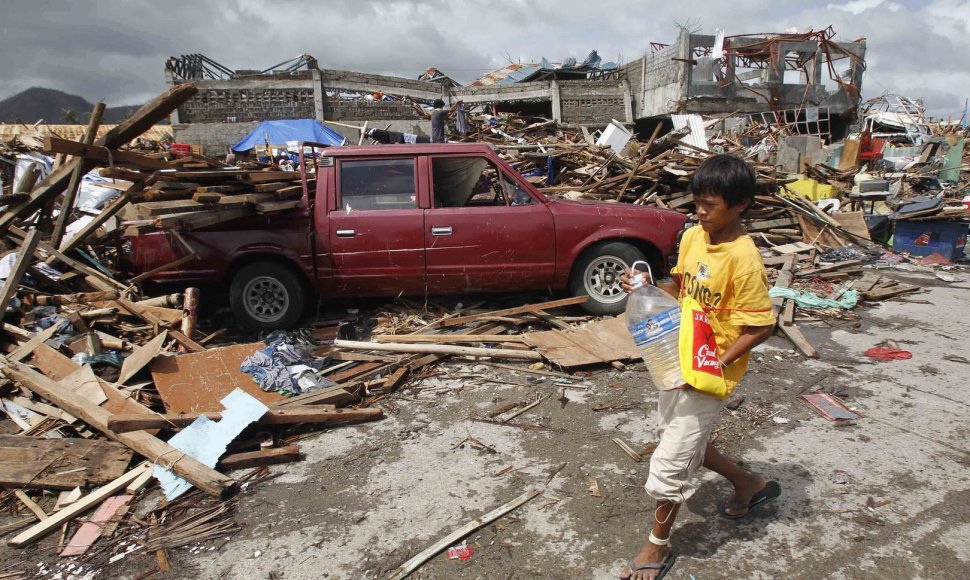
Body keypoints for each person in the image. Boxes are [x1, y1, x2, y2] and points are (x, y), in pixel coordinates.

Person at [619, 154, 781, 580]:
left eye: (710, 205)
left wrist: (716, 363)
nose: (700, 212)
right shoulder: (693, 237)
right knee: (683, 440)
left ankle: (655, 548)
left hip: (710, 372)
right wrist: (648, 287)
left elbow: (761, 325)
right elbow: (680, 285)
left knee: (670, 464)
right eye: (697, 203)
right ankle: (749, 485)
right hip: (677, 357)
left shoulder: (744, 258)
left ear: (740, 204)